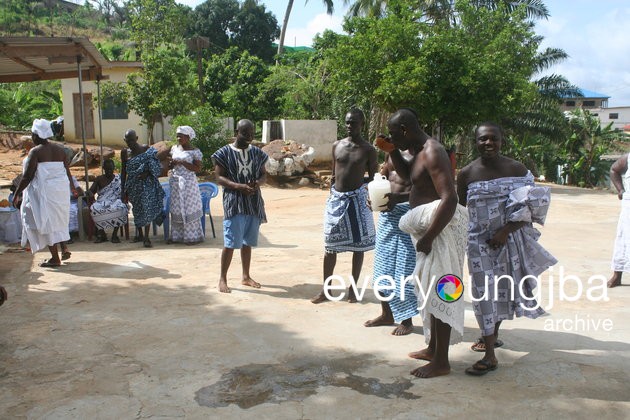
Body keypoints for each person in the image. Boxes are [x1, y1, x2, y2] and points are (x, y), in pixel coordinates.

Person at [456, 122, 557, 376]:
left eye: (493, 139)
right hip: (478, 244)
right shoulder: (467, 174)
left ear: (501, 141)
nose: (488, 143)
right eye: (482, 139)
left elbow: (534, 208)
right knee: (482, 294)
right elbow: (461, 211)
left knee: (501, 290)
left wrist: (504, 232)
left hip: (509, 241)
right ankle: (490, 354)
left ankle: (491, 336)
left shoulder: (518, 169)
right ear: (475, 142)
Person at [382, 108, 468, 379]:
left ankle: (442, 361)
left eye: (396, 136)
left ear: (406, 129)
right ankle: (433, 348)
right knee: (428, 290)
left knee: (442, 290)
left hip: (438, 232)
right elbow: (410, 178)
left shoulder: (432, 151)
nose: (395, 141)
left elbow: (449, 198)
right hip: (428, 232)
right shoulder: (417, 152)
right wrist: (393, 151)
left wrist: (430, 236)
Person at [311, 108, 378, 304]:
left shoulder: (368, 150)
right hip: (337, 201)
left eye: (354, 123)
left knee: (359, 247)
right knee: (330, 246)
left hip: (357, 200)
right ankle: (326, 289)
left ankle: (353, 289)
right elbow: (334, 174)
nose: (350, 126)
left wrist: (370, 197)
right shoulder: (337, 146)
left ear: (361, 124)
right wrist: (332, 191)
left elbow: (373, 178)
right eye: (347, 122)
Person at [364, 151, 419, 335]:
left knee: (404, 269)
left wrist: (398, 198)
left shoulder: (422, 154)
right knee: (382, 266)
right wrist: (373, 195)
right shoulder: (391, 154)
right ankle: (386, 314)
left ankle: (406, 320)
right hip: (388, 214)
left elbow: (423, 189)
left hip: (408, 214)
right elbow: (383, 177)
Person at [212, 119, 268, 293]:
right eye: (245, 134)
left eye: (252, 134)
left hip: (252, 202)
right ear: (237, 132)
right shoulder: (224, 152)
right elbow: (219, 178)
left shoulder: (257, 153)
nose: (249, 137)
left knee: (247, 242)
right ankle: (222, 278)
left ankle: (245, 276)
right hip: (234, 203)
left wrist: (257, 183)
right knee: (230, 242)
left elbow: (264, 175)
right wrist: (239, 186)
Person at [13, 118, 77, 267]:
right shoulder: (60, 150)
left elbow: (27, 176)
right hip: (59, 192)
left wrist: (17, 193)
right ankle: (64, 247)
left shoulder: (36, 151)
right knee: (58, 220)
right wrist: (72, 188)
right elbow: (67, 171)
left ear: (36, 135)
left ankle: (55, 258)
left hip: (44, 193)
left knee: (44, 222)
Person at [121, 129, 164, 248]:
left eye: (132, 140)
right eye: (127, 141)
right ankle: (139, 234)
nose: (130, 143)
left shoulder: (145, 149)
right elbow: (123, 172)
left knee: (147, 207)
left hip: (146, 184)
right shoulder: (124, 152)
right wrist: (122, 189)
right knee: (137, 209)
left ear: (137, 138)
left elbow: (155, 165)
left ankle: (146, 237)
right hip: (133, 185)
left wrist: (147, 174)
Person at [168, 126, 204, 245]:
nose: (178, 138)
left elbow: (198, 169)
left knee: (189, 208)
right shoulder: (174, 149)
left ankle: (192, 237)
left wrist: (183, 162)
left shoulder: (195, 151)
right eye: (177, 135)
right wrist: (171, 164)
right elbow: (170, 165)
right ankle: (176, 236)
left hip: (189, 184)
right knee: (176, 208)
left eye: (181, 136)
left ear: (188, 137)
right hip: (176, 183)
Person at [88, 158, 129, 243]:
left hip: (115, 201)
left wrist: (123, 196)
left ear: (114, 168)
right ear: (104, 169)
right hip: (102, 201)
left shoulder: (118, 179)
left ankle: (114, 235)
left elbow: (124, 191)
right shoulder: (99, 178)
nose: (109, 171)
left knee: (120, 208)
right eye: (107, 169)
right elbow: (91, 190)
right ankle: (101, 234)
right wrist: (90, 194)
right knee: (94, 209)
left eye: (111, 169)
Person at [608, 153, 630, 288]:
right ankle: (617, 276)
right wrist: (620, 189)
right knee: (624, 241)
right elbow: (614, 170)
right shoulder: (627, 159)